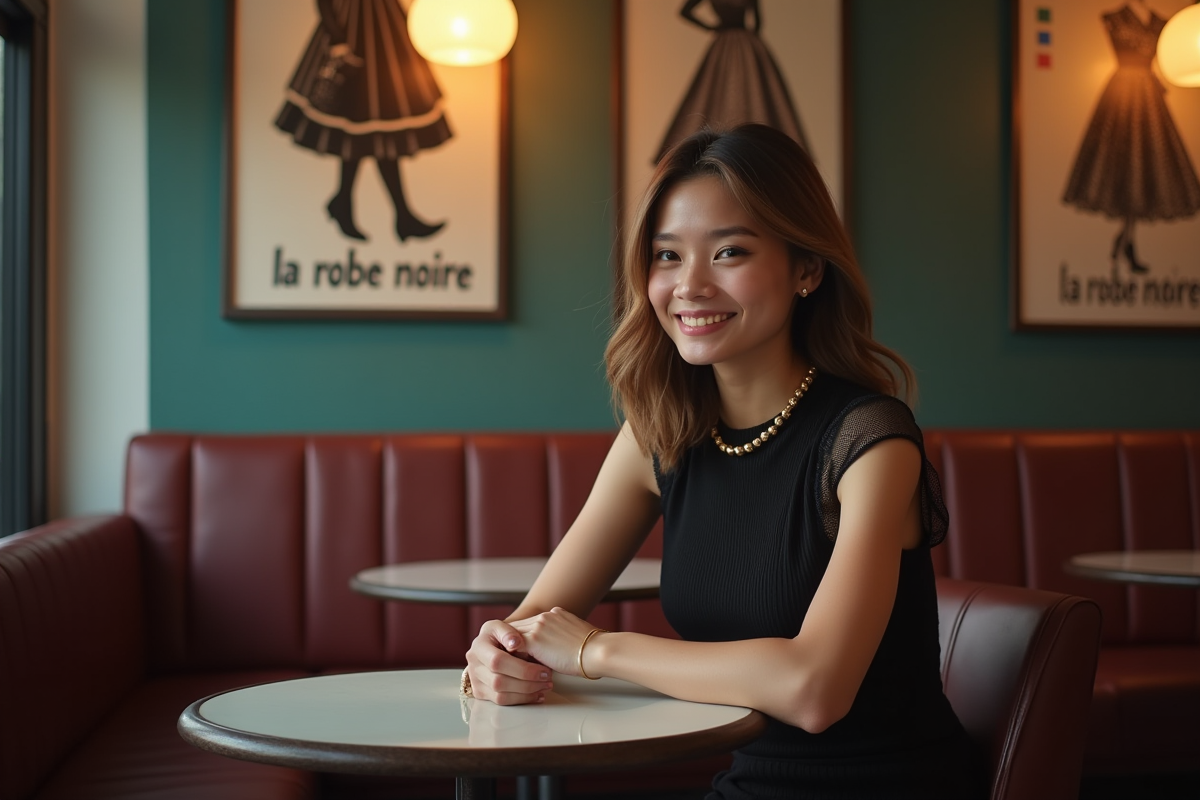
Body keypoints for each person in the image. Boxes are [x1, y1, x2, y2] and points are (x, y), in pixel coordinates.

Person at [463, 124, 986, 799]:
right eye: (667, 256)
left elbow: (814, 688)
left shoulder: (871, 442)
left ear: (807, 268)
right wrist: (496, 657)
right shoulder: (660, 436)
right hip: (748, 785)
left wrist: (595, 651)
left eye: (730, 251)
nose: (690, 285)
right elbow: (532, 634)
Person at [275, 0, 450, 243]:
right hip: (351, 33)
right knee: (362, 124)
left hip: (385, 30)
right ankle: (388, 211)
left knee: (381, 124)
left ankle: (359, 204)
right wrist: (336, 39)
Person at [657, 0, 808, 162]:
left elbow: (686, 12)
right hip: (744, 45)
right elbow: (757, 24)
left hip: (728, 44)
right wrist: (712, 28)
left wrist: (712, 27)